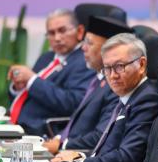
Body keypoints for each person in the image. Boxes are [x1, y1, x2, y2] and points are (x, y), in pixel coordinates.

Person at [52, 33, 158, 162]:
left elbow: (128, 157)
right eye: (107, 68)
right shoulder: (127, 95)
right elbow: (108, 149)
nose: (113, 76)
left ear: (141, 65)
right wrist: (80, 156)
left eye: (119, 66)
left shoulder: (147, 99)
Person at [42, 16, 132, 154]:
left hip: (76, 156)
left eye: (89, 43)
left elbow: (101, 136)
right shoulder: (98, 78)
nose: (83, 48)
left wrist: (62, 145)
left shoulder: (115, 86)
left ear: (109, 50)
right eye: (84, 42)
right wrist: (57, 139)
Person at [8, 8, 95, 136]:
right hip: (16, 125)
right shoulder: (46, 57)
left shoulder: (85, 60)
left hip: (43, 132)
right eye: (51, 33)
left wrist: (32, 80)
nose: (57, 38)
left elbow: (73, 103)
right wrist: (18, 87)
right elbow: (30, 91)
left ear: (80, 31)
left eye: (62, 31)